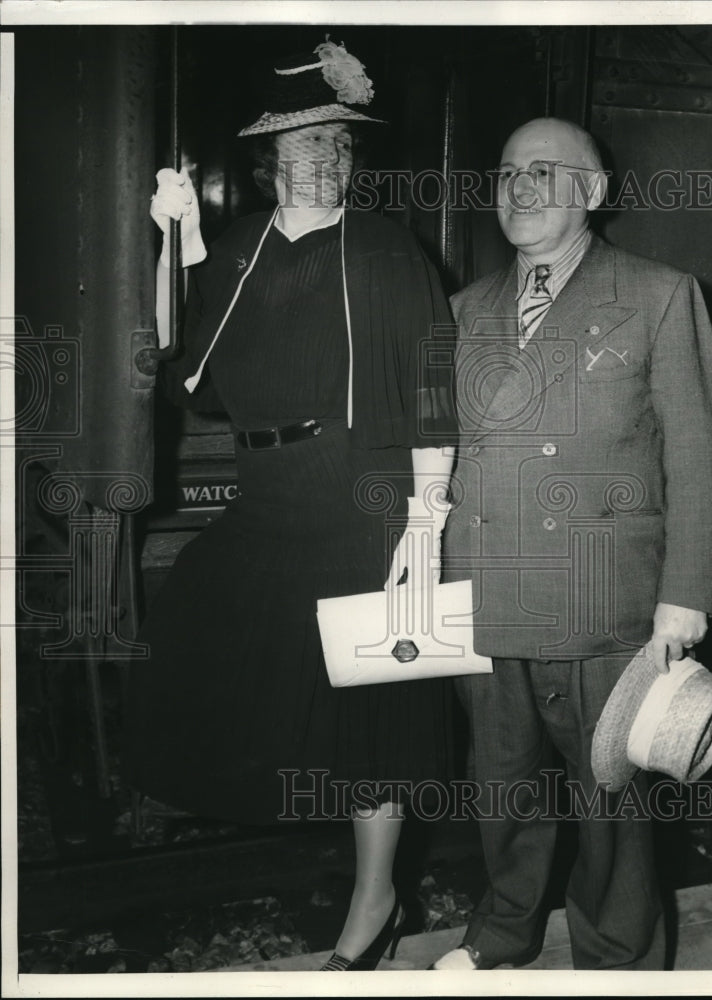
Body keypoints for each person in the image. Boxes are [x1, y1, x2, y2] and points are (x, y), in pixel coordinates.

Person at [124, 40, 457, 971]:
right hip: (270, 493)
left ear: (350, 158)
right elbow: (186, 369)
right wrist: (171, 244)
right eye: (303, 143)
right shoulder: (241, 251)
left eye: (337, 143)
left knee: (372, 712)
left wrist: (425, 516)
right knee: (197, 610)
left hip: (362, 492)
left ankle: (375, 899)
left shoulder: (390, 252)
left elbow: (433, 383)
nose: (324, 157)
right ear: (272, 161)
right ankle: (349, 864)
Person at [432, 117, 712, 970]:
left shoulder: (659, 292)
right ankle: (500, 933)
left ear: (593, 194)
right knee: (501, 786)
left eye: (544, 171)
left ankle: (618, 959)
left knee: (611, 799)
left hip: (606, 598)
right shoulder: (464, 308)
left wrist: (687, 594)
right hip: (485, 590)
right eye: (507, 172)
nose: (519, 188)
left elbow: (700, 455)